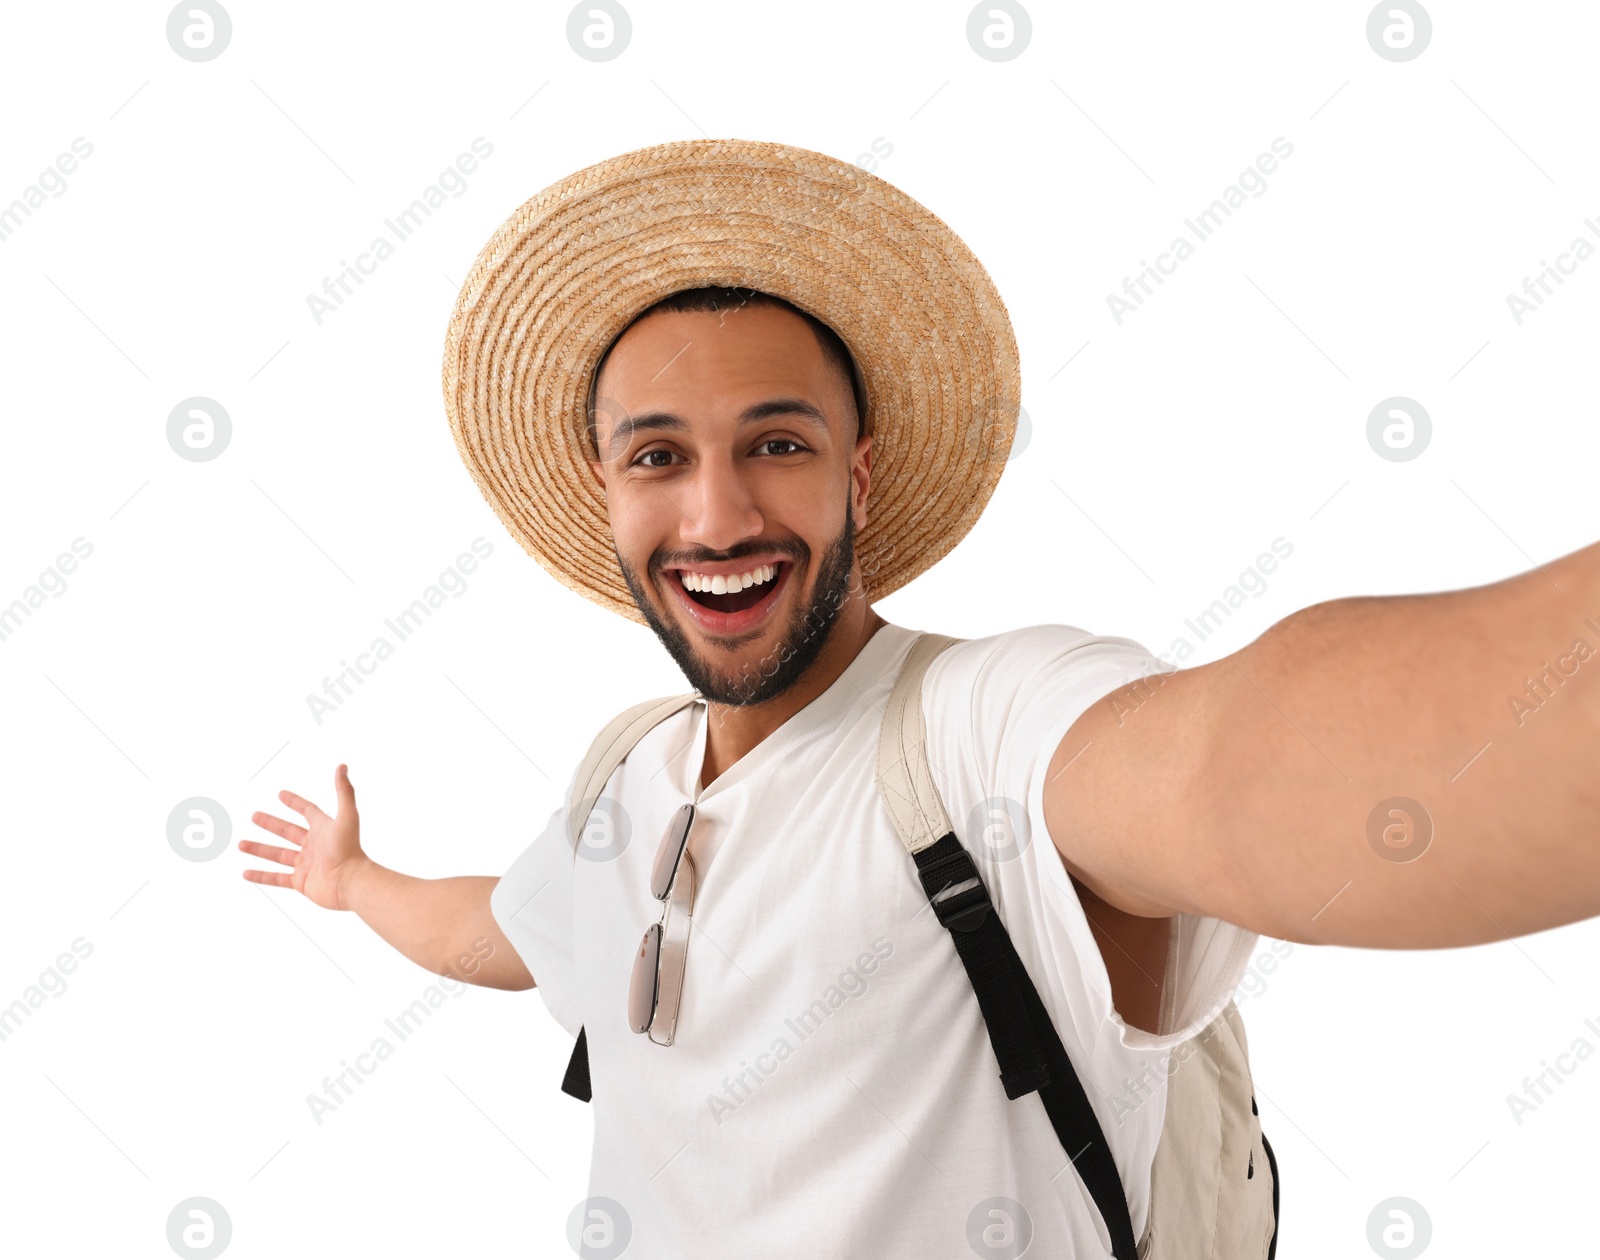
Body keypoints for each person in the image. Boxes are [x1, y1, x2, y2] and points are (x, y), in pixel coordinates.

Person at [241, 140, 1600, 1259]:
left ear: (860, 478)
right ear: (611, 495)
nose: (716, 514)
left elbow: (1234, 771)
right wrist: (357, 884)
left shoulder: (977, 729)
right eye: (660, 456)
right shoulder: (625, 774)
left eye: (777, 443)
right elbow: (517, 927)